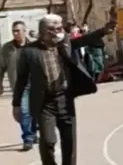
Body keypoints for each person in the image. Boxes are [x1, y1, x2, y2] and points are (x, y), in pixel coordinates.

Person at [12, 13, 115, 165]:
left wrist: (103, 31)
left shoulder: (64, 43)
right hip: (44, 103)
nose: (57, 32)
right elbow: (21, 80)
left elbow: (83, 39)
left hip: (64, 99)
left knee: (69, 142)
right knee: (48, 141)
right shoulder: (29, 51)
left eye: (59, 28)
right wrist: (16, 105)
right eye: (52, 29)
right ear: (43, 31)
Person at [0, 21, 37, 151]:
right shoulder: (7, 48)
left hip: (36, 84)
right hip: (19, 86)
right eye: (13, 31)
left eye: (18, 30)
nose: (15, 33)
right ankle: (27, 138)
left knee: (35, 112)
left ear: (25, 31)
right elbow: (1, 67)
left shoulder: (34, 45)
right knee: (24, 112)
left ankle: (33, 132)